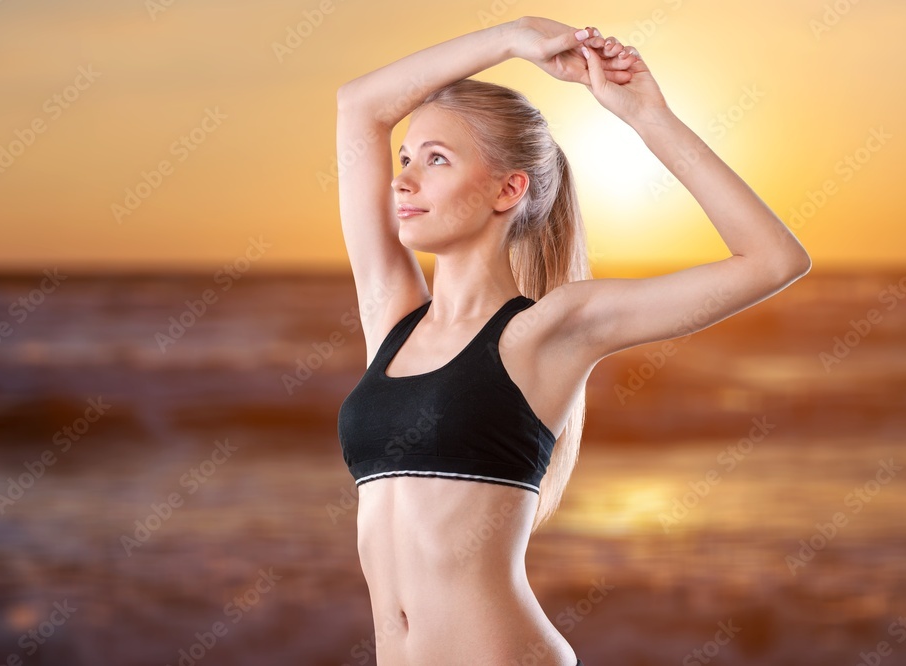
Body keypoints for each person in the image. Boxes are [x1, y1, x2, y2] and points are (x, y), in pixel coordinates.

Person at [335, 16, 810, 666]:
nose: (403, 180)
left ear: (509, 189)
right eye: (406, 159)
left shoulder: (546, 331)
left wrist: (647, 115)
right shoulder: (391, 318)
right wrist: (512, 37)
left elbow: (773, 260)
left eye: (436, 160)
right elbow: (358, 107)